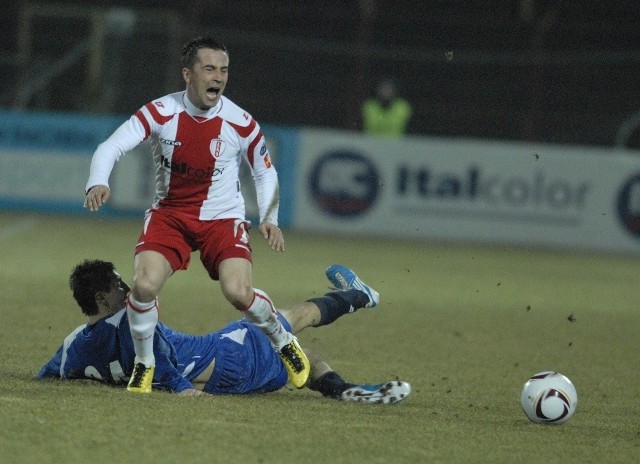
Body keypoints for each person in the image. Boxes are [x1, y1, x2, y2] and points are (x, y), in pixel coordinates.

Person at [82, 36, 309, 393]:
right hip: (170, 214)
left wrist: (269, 216)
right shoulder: (161, 112)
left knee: (237, 291)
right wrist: (98, 180)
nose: (218, 77)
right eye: (209, 68)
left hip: (221, 217)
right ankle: (145, 363)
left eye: (223, 70)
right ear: (188, 74)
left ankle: (283, 341)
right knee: (143, 285)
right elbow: (111, 146)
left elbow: (265, 171)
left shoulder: (240, 121)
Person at [38, 260, 411, 404]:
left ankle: (352, 299)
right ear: (103, 298)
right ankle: (359, 295)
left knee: (291, 331)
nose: (129, 289)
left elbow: (49, 373)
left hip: (221, 350)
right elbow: (163, 368)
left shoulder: (76, 344)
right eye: (120, 286)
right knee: (295, 326)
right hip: (227, 358)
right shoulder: (131, 323)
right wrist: (190, 395)